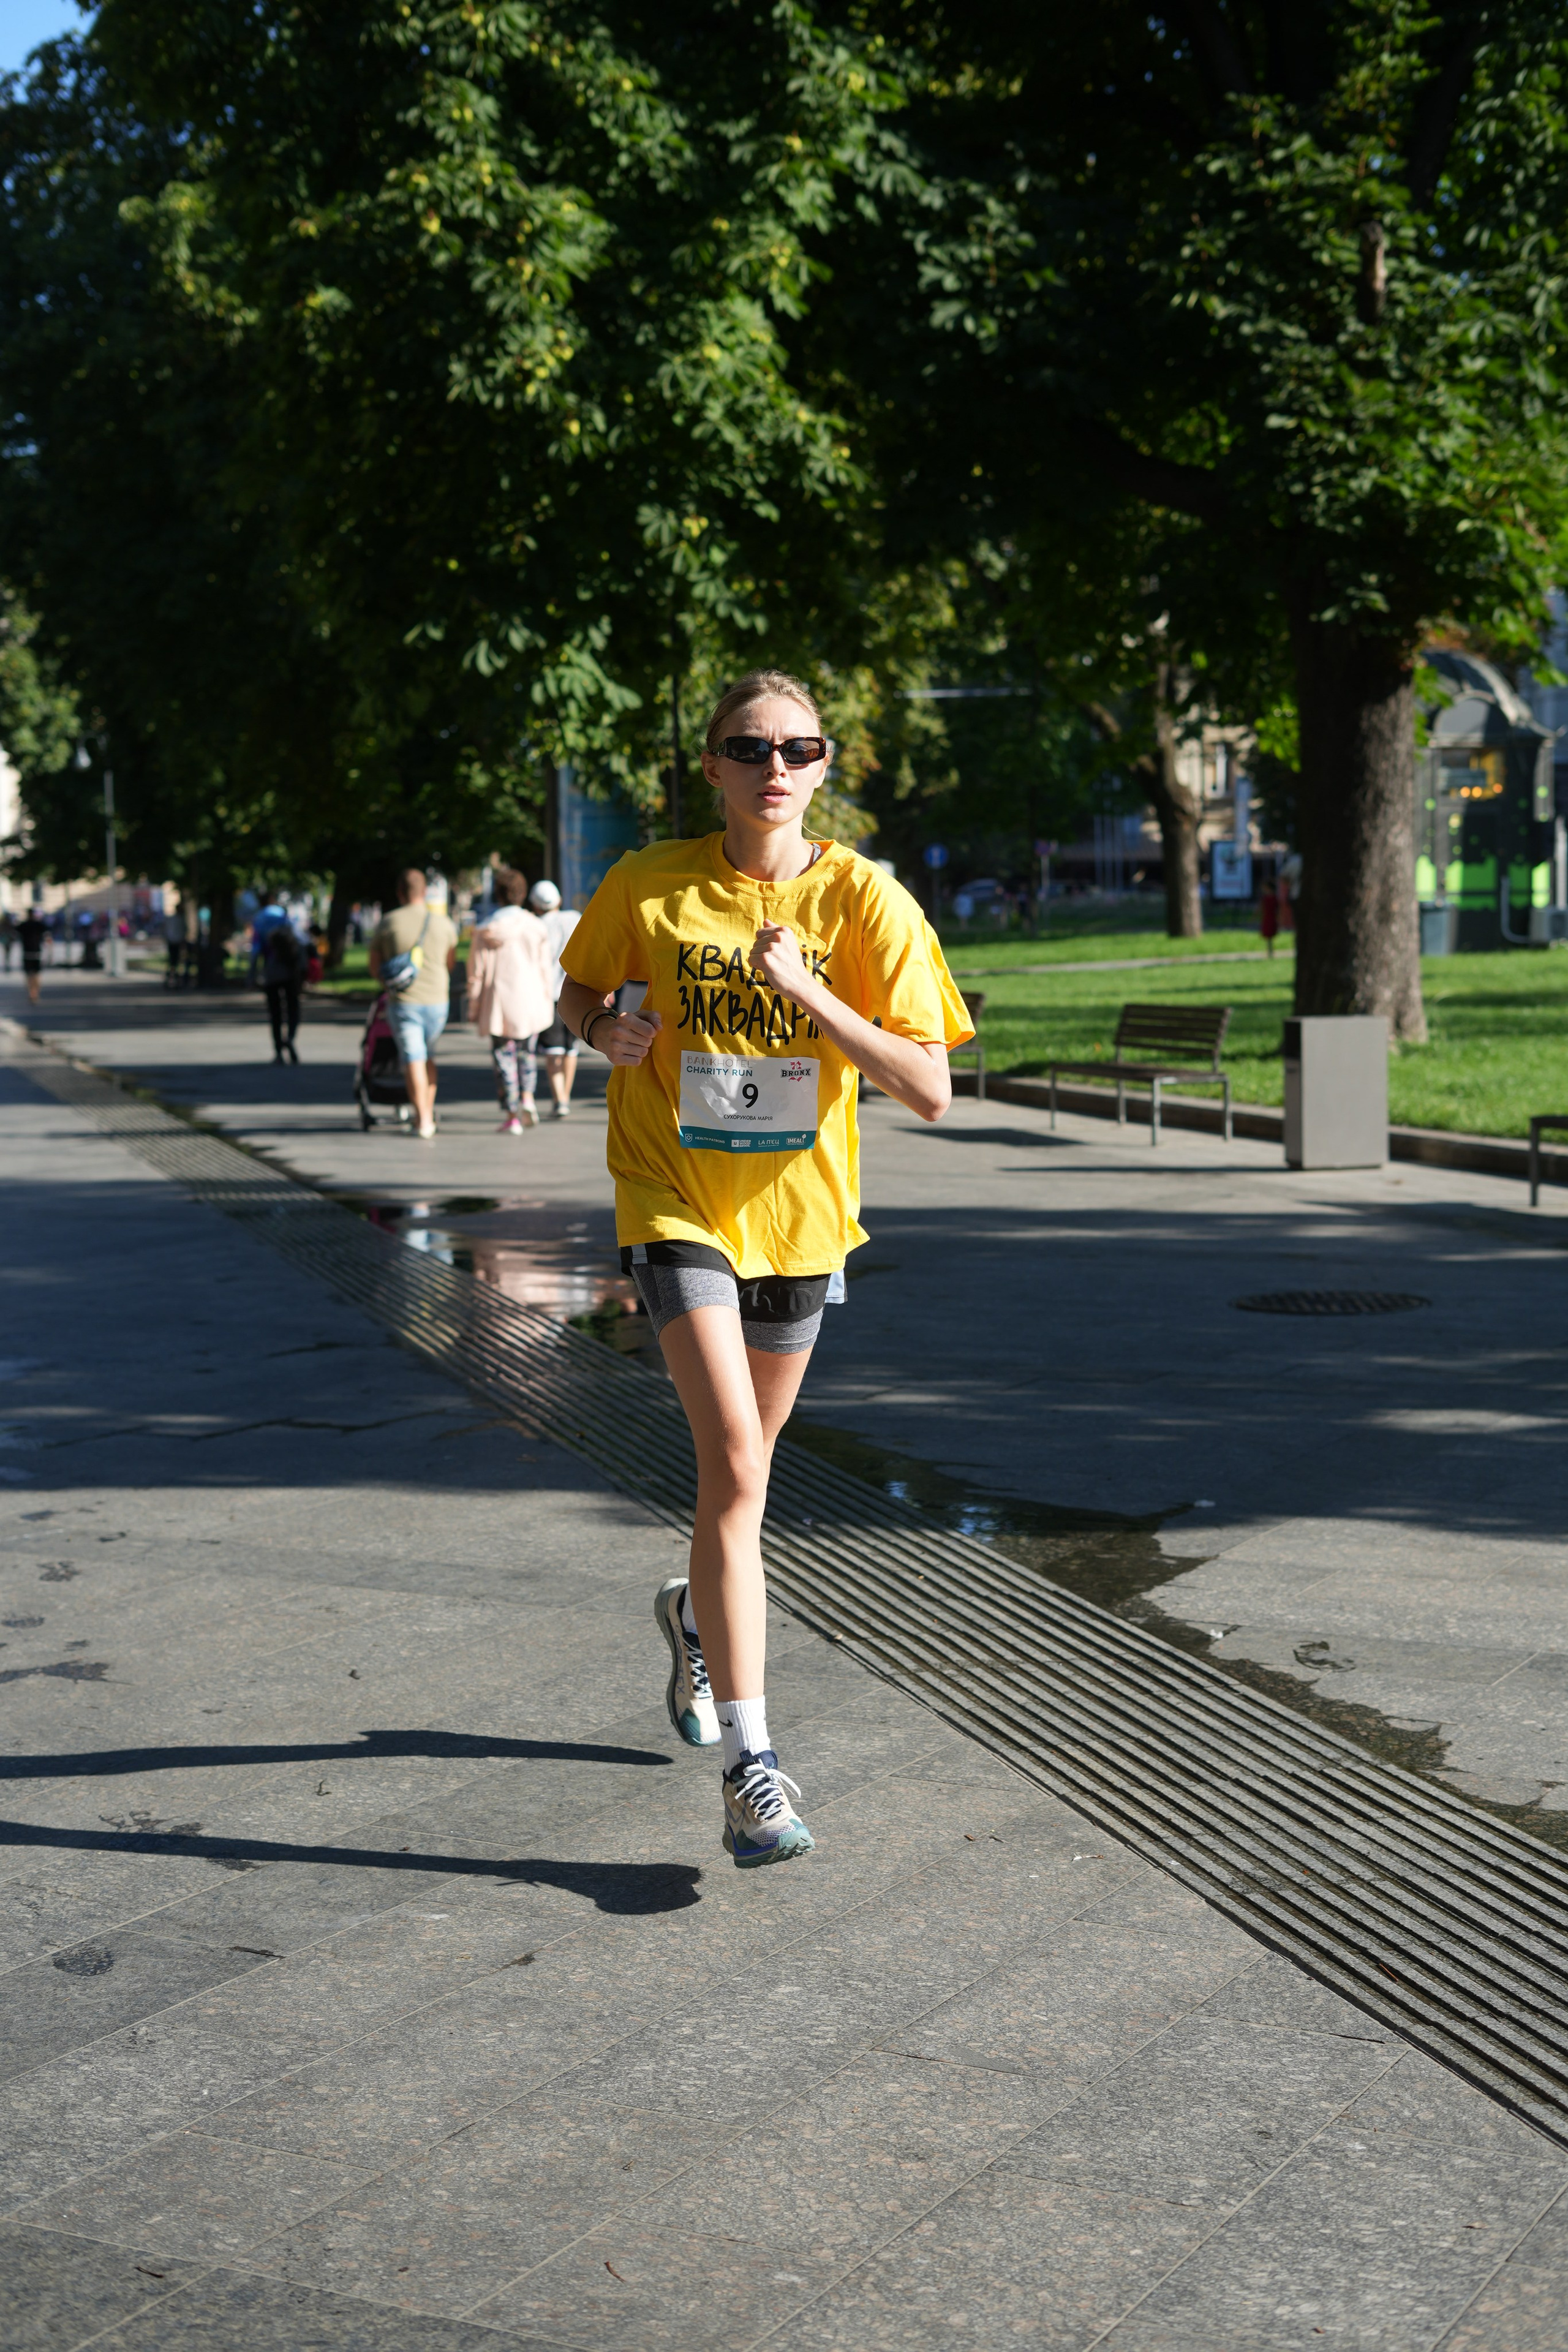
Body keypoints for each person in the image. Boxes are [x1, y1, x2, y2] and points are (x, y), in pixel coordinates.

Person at [558, 667, 971, 1870]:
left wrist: (807, 991)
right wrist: (600, 1029)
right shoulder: (649, 881)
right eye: (749, 748)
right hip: (672, 1197)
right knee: (735, 1462)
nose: (774, 767)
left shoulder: (863, 898)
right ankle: (751, 1769)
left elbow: (930, 1087)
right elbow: (578, 989)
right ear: (712, 767)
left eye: (798, 748)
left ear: (824, 766)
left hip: (799, 1223)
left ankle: (693, 1615)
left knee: (739, 1488)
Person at [369, 869, 458, 1140]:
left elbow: (375, 967)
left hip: (404, 1002)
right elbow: (450, 964)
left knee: (413, 1059)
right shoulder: (444, 923)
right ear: (424, 892)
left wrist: (389, 985)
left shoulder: (388, 922)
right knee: (427, 1056)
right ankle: (426, 1113)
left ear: (400, 893)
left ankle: (423, 1120)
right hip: (438, 1002)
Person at [469, 871, 556, 1132]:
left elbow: (476, 973)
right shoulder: (536, 926)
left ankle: (512, 1114)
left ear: (498, 894)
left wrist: (474, 1006)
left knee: (504, 1058)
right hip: (531, 1000)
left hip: (498, 1003)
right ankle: (528, 1098)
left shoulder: (487, 930)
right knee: (528, 1054)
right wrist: (547, 999)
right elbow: (545, 968)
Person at [529, 878, 581, 1117]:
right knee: (571, 1050)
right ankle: (565, 1098)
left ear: (535, 904)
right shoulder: (574, 919)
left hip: (547, 995)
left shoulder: (534, 926)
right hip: (577, 993)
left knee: (553, 1050)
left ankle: (559, 1099)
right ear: (559, 900)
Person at [260, 918, 304, 1063]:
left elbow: (258, 956)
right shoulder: (295, 938)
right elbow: (302, 960)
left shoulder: (268, 937)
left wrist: (252, 978)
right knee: (293, 1010)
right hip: (290, 977)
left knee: (275, 1015)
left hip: (271, 978)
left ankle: (278, 1052)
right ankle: (290, 1038)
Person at [17, 907, 48, 1007]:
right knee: (36, 975)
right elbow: (47, 937)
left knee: (29, 975)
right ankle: (35, 993)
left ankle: (32, 993)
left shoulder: (23, 925)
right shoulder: (40, 925)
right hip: (37, 953)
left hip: (27, 953)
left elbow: (15, 934)